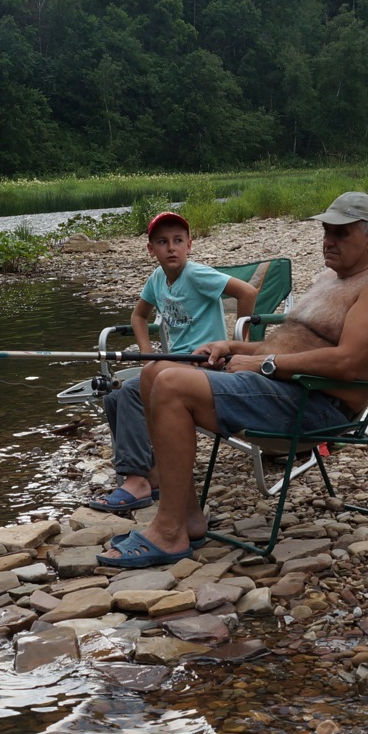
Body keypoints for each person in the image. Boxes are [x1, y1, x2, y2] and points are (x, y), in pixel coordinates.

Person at [98, 191, 368, 568]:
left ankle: (168, 534)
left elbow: (347, 362)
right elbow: (287, 345)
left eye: (340, 233)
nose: (327, 241)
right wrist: (233, 346)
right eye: (326, 231)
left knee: (171, 385)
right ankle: (185, 519)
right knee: (154, 374)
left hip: (317, 407)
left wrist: (262, 364)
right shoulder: (331, 279)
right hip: (283, 389)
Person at [86, 210, 256, 514]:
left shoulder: (197, 274)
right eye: (163, 242)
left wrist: (235, 346)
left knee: (133, 391)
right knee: (113, 396)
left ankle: (137, 483)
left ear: (189, 245)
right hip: (172, 362)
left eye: (178, 240)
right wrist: (145, 352)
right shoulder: (156, 280)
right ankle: (148, 474)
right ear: (152, 250)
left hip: (203, 365)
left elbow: (247, 291)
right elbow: (138, 316)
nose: (172, 247)